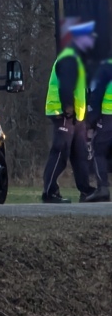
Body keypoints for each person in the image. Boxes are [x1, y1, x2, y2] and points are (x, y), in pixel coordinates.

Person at [42, 18, 98, 203]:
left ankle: (86, 191)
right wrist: (68, 109)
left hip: (76, 117)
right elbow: (65, 88)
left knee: (79, 154)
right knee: (60, 152)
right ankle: (49, 192)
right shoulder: (69, 58)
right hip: (64, 114)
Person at [86, 52, 112, 202]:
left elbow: (97, 96)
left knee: (99, 149)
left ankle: (103, 188)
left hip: (109, 116)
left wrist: (91, 120)